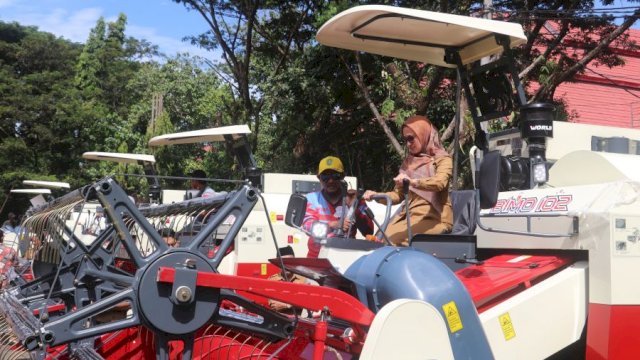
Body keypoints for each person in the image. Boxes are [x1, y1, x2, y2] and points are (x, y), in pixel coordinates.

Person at [363, 115, 453, 246]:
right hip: (408, 217)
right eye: (405, 140)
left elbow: (440, 183)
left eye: (411, 138)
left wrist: (413, 182)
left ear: (423, 134)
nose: (408, 144)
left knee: (393, 241)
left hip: (435, 217)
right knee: (381, 239)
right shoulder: (408, 163)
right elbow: (398, 195)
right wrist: (376, 196)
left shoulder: (443, 159)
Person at [303, 156, 374, 258]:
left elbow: (368, 231)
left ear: (343, 176)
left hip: (347, 258)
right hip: (317, 258)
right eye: (325, 176)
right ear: (319, 178)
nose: (330, 181)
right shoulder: (311, 199)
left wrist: (355, 207)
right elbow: (307, 226)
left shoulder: (355, 198)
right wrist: (334, 225)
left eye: (335, 175)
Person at [267, 246, 306, 314]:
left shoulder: (305, 280)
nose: (286, 265)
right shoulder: (271, 281)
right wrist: (296, 302)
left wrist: (287, 305)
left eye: (290, 261)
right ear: (278, 263)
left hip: (301, 321)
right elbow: (274, 305)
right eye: (283, 261)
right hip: (281, 320)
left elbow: (307, 303)